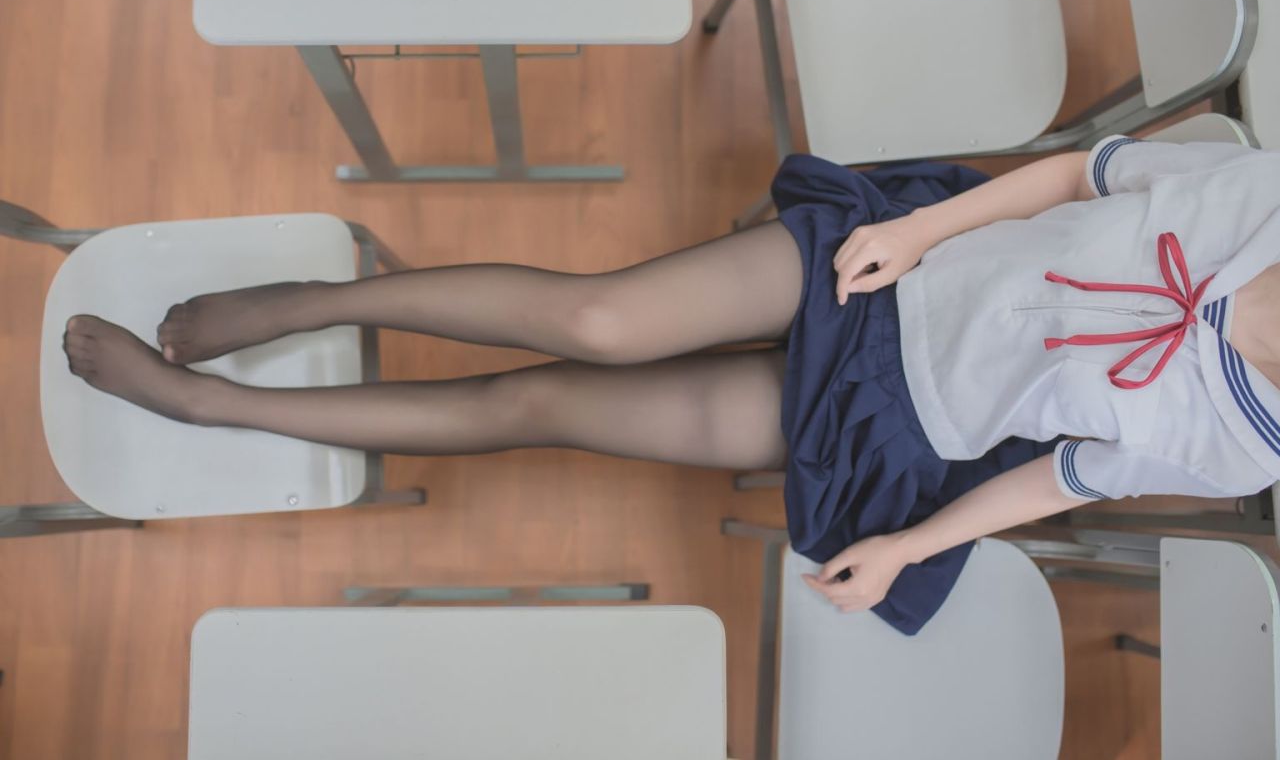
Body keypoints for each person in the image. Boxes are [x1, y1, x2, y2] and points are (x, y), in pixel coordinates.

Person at [61, 134, 1280, 634]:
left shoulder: (1244, 447)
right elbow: (1074, 177)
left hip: (892, 421)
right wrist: (916, 230)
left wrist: (909, 549)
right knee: (594, 318)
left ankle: (212, 404)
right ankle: (311, 301)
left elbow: (1061, 478)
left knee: (535, 408)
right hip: (888, 269)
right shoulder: (1256, 189)